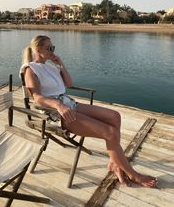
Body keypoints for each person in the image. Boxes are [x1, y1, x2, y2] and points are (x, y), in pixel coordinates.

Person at [21, 35, 158, 188]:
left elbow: (69, 84)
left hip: (69, 104)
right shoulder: (30, 69)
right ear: (38, 50)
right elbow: (38, 98)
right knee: (110, 132)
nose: (53, 51)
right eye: (49, 48)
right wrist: (58, 106)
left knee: (114, 116)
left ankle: (115, 164)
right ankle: (132, 173)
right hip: (55, 113)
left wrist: (61, 65)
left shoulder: (50, 67)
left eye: (53, 47)